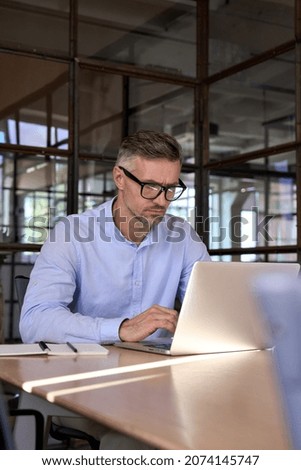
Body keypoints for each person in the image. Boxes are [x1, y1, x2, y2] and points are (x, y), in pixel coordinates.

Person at [19, 129, 211, 449]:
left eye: (170, 189)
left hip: (156, 382)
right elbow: (35, 321)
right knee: (137, 441)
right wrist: (121, 328)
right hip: (82, 381)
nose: (162, 201)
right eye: (150, 187)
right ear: (119, 178)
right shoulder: (72, 233)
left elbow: (212, 306)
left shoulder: (182, 235)